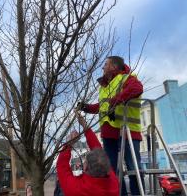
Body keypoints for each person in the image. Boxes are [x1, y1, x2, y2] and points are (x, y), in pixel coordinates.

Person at [78, 56, 144, 195]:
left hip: (127, 131)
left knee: (133, 168)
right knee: (112, 170)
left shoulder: (127, 78)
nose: (102, 67)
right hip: (109, 134)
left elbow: (137, 88)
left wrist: (115, 102)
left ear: (114, 67)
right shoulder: (105, 86)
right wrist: (87, 108)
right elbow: (103, 106)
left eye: (105, 64)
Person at [56, 112, 119, 196]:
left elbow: (61, 166)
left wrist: (69, 143)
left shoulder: (77, 190)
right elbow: (98, 149)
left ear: (86, 167)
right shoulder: (113, 184)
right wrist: (85, 126)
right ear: (107, 167)